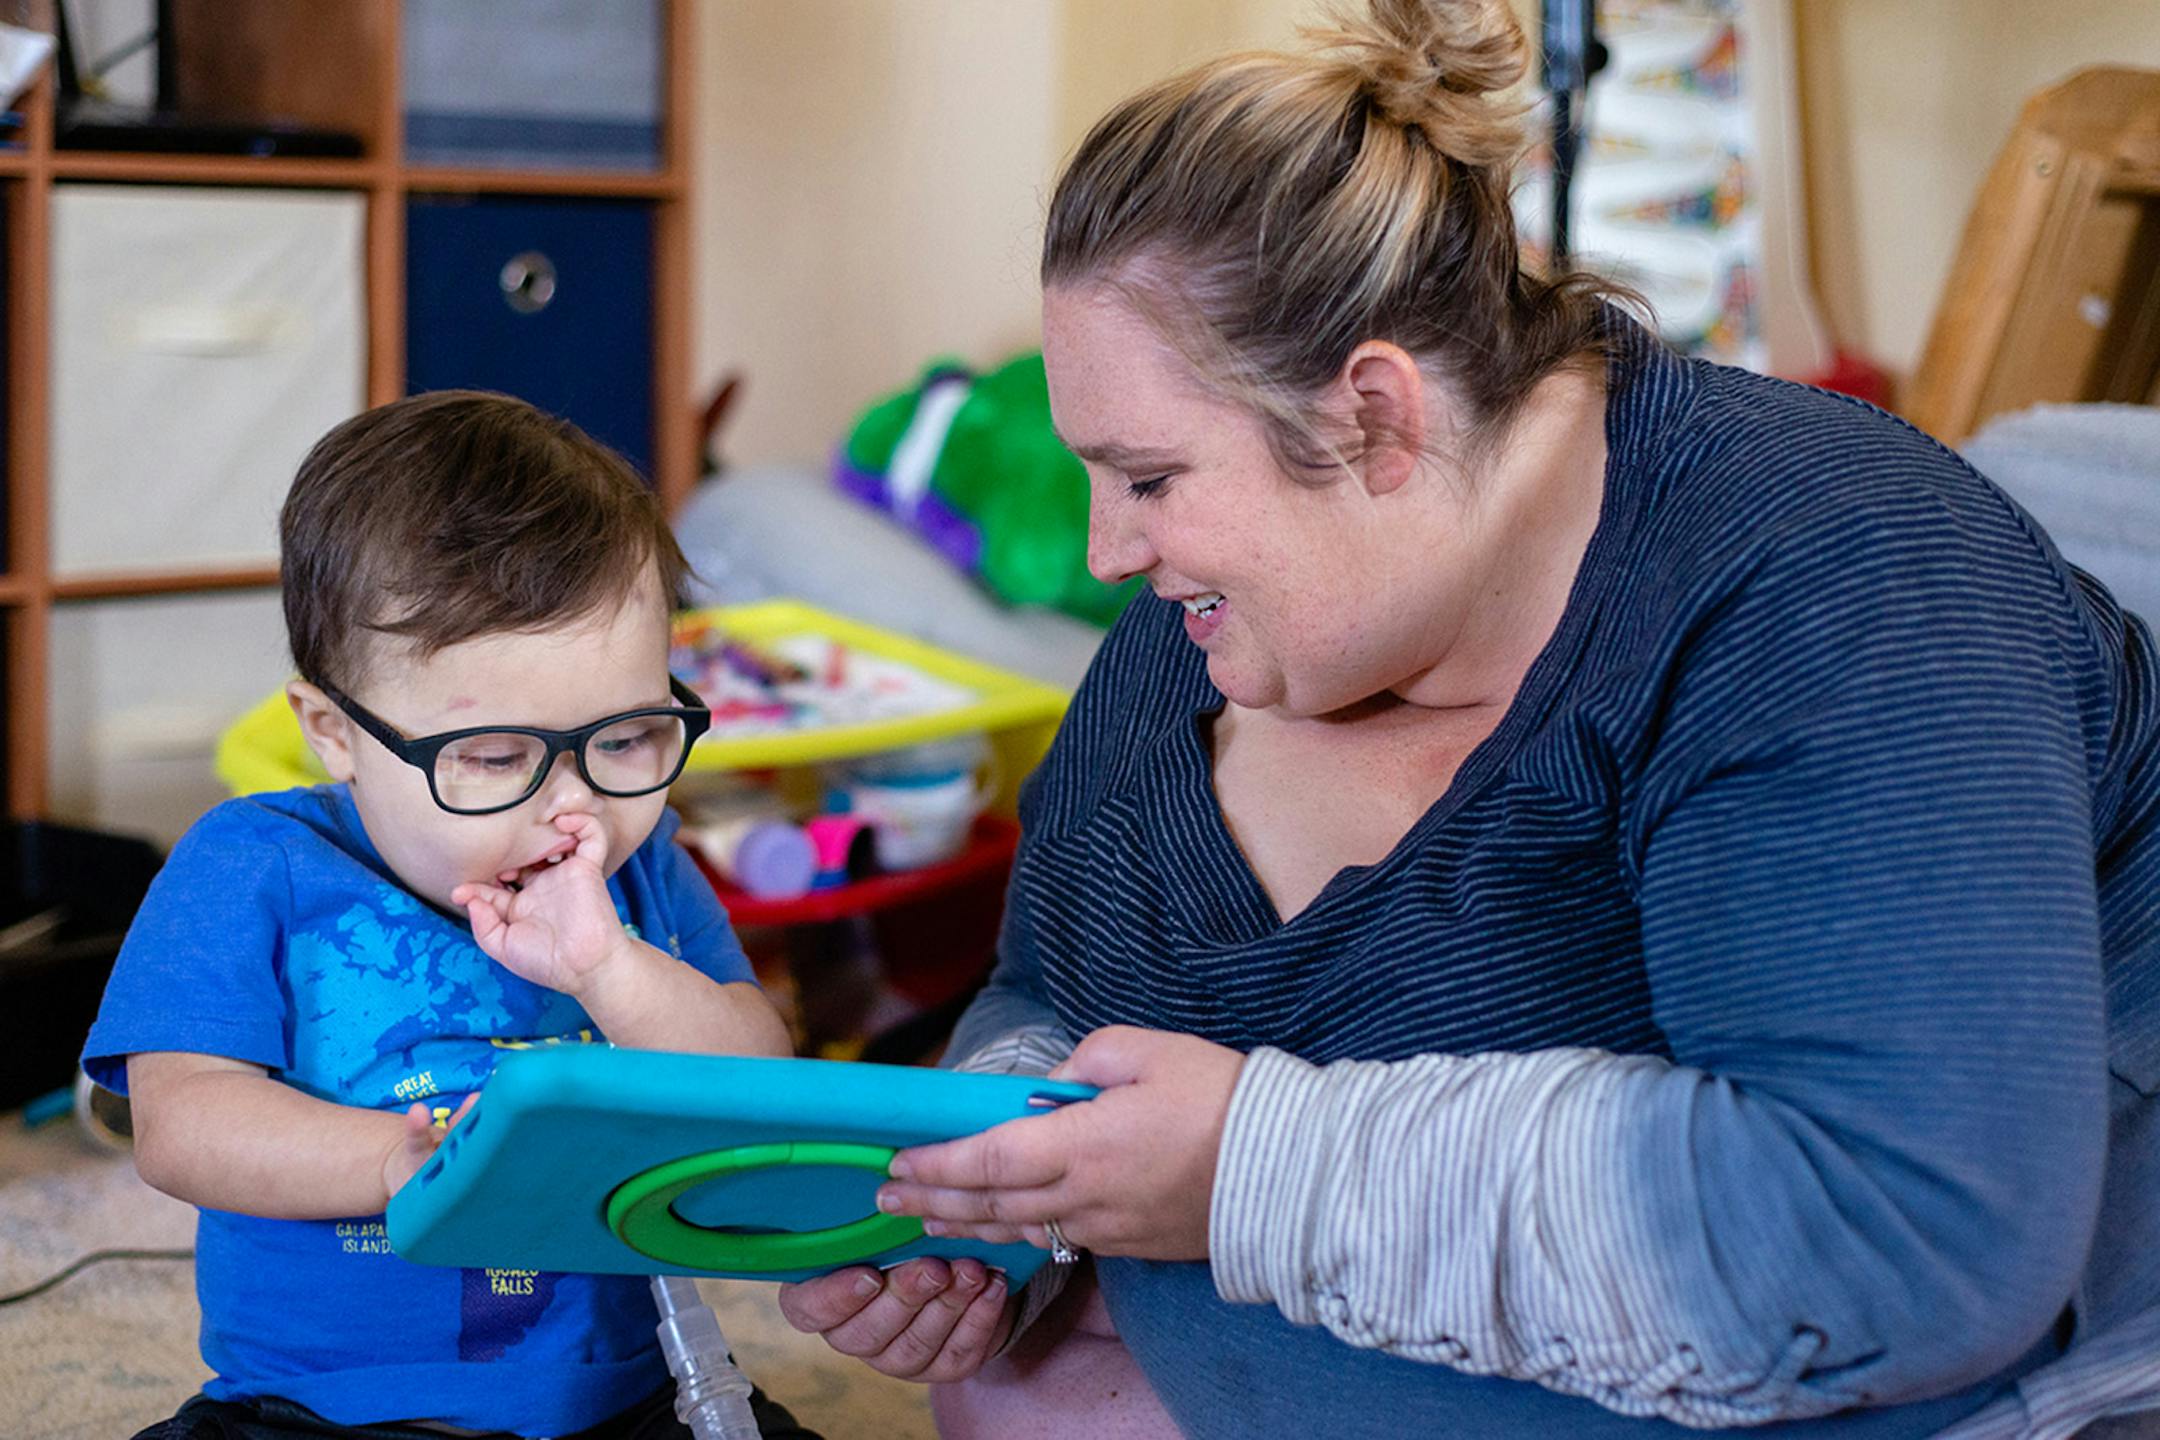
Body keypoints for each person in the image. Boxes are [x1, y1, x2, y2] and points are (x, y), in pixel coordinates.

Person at [776, 1, 2160, 1436]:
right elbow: (1049, 986)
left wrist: (1253, 1173)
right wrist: (993, 1186)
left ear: (1376, 417)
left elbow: (1907, 1237)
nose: (1107, 550)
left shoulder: (1833, 580)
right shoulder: (1200, 646)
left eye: (1150, 477)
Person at [82, 392, 814, 1439]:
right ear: (334, 731)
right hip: (319, 1412)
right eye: (496, 757)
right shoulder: (252, 867)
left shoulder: (643, 871)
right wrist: (393, 1162)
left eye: (623, 739)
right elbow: (182, 1123)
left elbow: (759, 1087)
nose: (576, 806)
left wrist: (610, 969)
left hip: (632, 1398)